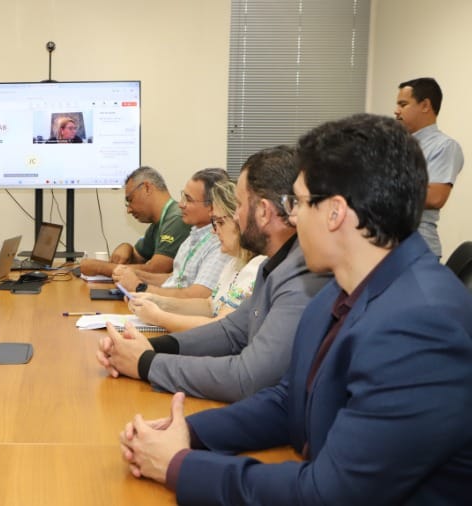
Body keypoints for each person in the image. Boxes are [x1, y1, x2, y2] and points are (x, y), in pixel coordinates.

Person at [118, 114, 472, 505]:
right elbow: (290, 401)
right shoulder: (340, 291)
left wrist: (179, 466)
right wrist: (185, 431)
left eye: (299, 202)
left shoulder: (420, 326)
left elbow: (327, 494)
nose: (292, 216)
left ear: (335, 213)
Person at [97, 146, 330, 401]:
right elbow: (231, 332)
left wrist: (146, 363)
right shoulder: (273, 266)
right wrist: (147, 347)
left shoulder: (302, 275)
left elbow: (246, 378)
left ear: (263, 211)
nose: (236, 216)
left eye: (239, 205)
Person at [127, 179, 266, 333]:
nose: (214, 231)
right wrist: (156, 301)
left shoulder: (256, 268)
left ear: (241, 221)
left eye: (219, 223)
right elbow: (209, 306)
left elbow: (221, 329)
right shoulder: (234, 263)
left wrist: (158, 317)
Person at [112, 168, 229, 299]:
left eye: (189, 200)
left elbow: (198, 296)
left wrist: (140, 288)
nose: (181, 204)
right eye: (183, 197)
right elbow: (175, 280)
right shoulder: (193, 235)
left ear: (212, 206)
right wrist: (134, 274)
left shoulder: (220, 243)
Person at [395, 77, 464, 257]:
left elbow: (435, 197)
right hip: (387, 246)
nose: (396, 111)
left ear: (425, 105)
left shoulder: (445, 146)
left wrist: (381, 187)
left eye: (403, 104)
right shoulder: (396, 145)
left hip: (416, 249)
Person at [80, 166, 190, 277]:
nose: (129, 210)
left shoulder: (176, 218)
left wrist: (100, 267)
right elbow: (136, 259)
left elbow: (156, 270)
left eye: (130, 200)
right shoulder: (158, 224)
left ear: (147, 188)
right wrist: (127, 247)